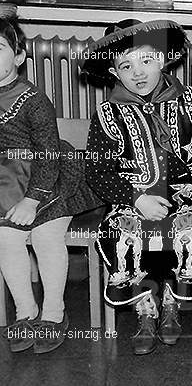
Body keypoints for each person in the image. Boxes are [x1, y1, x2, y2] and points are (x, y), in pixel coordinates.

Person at [82, 19, 192, 355]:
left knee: (187, 227)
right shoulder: (108, 113)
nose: (137, 72)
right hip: (132, 194)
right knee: (121, 232)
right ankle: (145, 307)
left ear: (163, 58)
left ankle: (171, 300)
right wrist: (135, 199)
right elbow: (97, 171)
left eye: (146, 60)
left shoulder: (191, 102)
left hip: (183, 190)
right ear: (114, 73)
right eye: (126, 66)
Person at [0, 18, 99, 353]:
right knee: (5, 237)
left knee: (46, 235)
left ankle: (54, 312)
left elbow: (48, 153)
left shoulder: (33, 100)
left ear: (18, 57)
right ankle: (25, 312)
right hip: (6, 182)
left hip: (50, 177)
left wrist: (32, 200)